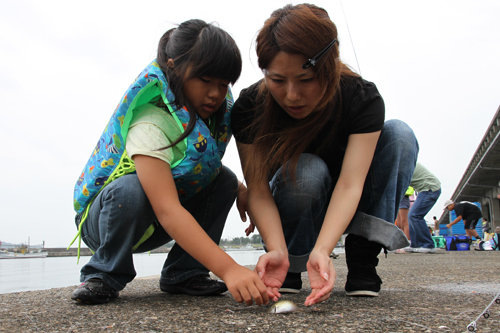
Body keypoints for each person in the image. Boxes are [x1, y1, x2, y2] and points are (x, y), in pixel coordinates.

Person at [69, 19, 271, 306]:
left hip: (154, 219)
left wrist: (239, 188)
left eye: (223, 84)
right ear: (174, 68)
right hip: (107, 221)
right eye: (205, 80)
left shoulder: (209, 113)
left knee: (224, 180)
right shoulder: (150, 120)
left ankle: (184, 273)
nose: (215, 93)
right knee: (130, 189)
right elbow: (167, 209)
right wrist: (229, 269)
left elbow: (198, 169)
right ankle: (103, 273)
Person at [231, 4, 418, 305]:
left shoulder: (361, 98)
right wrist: (277, 249)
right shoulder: (250, 107)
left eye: (306, 80)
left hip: (349, 202)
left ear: (329, 65)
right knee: (307, 169)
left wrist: (323, 250)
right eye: (277, 80)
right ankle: (289, 261)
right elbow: (259, 189)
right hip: (295, 203)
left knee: (400, 135)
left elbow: (350, 184)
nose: (292, 95)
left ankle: (362, 257)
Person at [405, 162, 441, 253]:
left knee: (415, 215)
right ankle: (416, 245)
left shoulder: (402, 163)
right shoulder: (405, 160)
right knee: (412, 216)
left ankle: (428, 245)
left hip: (429, 188)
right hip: (425, 189)